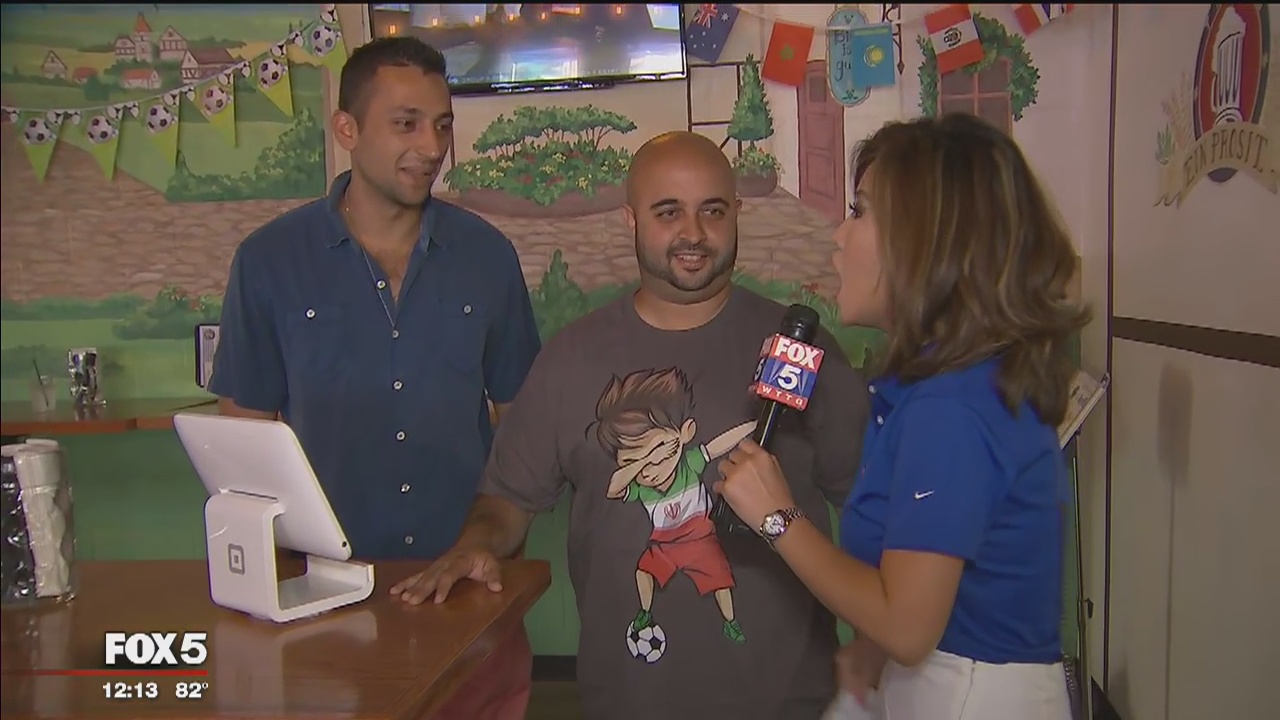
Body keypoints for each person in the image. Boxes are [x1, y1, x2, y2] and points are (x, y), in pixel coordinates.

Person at [389, 131, 871, 719]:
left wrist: (876, 643)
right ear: (631, 219)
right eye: (668, 212)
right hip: (627, 700)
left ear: (736, 214)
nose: (692, 233)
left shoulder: (802, 351)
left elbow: (874, 507)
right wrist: (474, 546)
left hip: (789, 700)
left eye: (712, 211)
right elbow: (507, 500)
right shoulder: (571, 359)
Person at [715, 112, 1090, 720]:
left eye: (860, 212)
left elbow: (907, 625)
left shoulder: (954, 409)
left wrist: (776, 516)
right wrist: (870, 651)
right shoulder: (932, 391)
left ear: (929, 243)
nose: (838, 236)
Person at [208, 37, 541, 720]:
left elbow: (523, 433)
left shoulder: (487, 256)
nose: (431, 144)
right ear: (347, 130)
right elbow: (242, 441)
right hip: (322, 605)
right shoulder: (269, 261)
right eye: (406, 123)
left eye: (443, 124)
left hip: (470, 597)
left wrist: (488, 545)